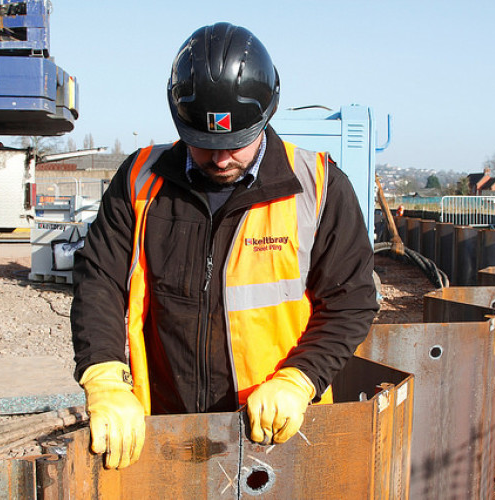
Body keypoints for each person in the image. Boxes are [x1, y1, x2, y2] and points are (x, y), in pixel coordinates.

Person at [70, 22, 378, 470]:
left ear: (267, 113)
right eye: (202, 144)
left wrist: (299, 379)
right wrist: (104, 375)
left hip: (277, 435)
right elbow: (99, 279)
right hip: (167, 428)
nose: (218, 158)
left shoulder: (319, 186)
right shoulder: (139, 180)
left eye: (235, 144)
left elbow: (352, 302)